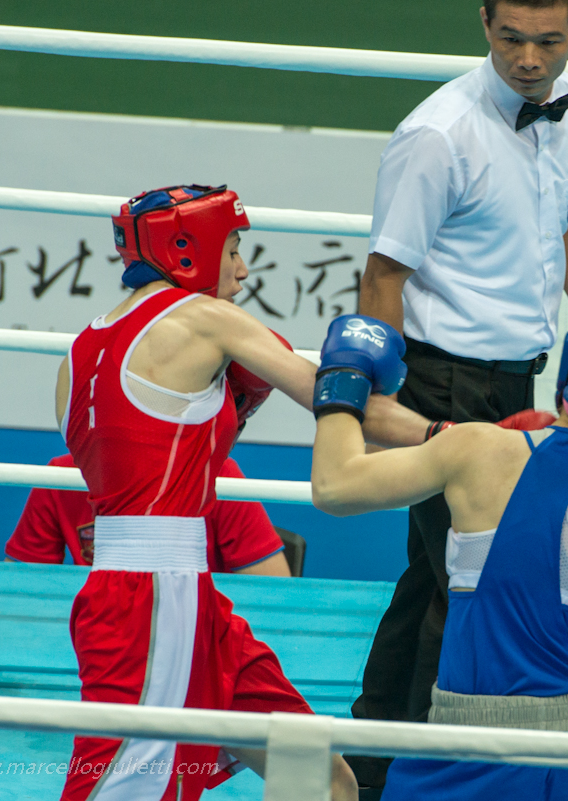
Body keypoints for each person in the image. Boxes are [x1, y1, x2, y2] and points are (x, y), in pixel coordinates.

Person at [54, 185, 432, 801]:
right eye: (233, 246)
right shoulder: (203, 319)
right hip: (154, 602)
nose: (243, 267)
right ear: (188, 247)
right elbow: (340, 401)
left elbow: (143, 452)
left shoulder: (81, 351)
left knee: (319, 772)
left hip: (169, 594)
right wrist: (468, 439)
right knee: (118, 790)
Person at [350, 0, 568, 785]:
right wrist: (382, 403)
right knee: (470, 578)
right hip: (436, 381)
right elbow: (384, 274)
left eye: (548, 41)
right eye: (511, 39)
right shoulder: (437, 134)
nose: (529, 59)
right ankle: (433, 767)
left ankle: (371, 758)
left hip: (519, 376)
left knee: (435, 573)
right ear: (483, 23)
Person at [311, 312, 568, 800]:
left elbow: (334, 487)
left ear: (567, 373)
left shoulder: (475, 447)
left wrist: (344, 376)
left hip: (460, 750)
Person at [6, 453, 296, 576]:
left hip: (200, 643)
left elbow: (275, 596)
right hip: (98, 640)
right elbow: (16, 593)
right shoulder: (62, 477)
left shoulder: (217, 474)